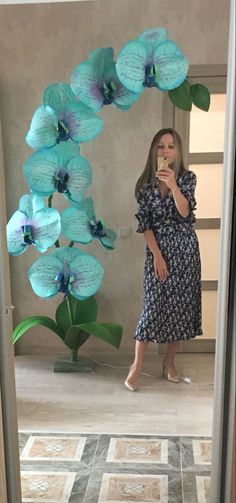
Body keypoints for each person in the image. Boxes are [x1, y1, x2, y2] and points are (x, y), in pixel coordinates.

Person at [125, 128, 202, 391]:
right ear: (154, 150)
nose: (166, 151)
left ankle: (170, 363)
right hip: (157, 252)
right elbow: (145, 224)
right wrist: (157, 256)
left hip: (185, 252)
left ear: (177, 150)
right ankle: (136, 366)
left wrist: (172, 185)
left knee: (179, 310)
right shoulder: (145, 185)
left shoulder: (188, 179)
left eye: (171, 146)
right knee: (153, 308)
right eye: (161, 146)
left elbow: (185, 213)